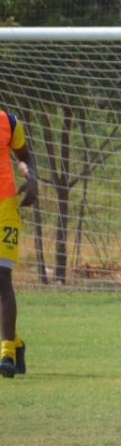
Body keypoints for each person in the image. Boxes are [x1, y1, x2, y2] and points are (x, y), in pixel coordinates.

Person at [0, 107, 38, 378]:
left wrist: (31, 177)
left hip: (5, 209)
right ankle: (17, 342)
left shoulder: (8, 122)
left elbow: (24, 157)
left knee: (2, 277)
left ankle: (7, 355)